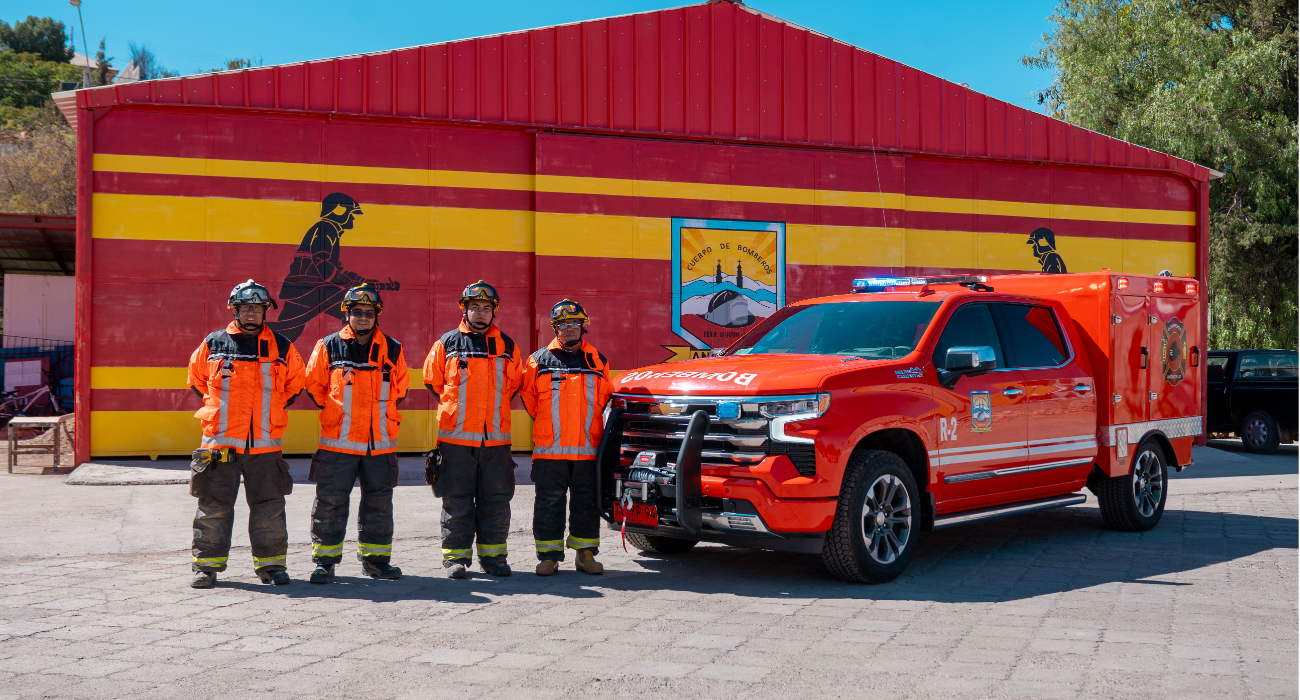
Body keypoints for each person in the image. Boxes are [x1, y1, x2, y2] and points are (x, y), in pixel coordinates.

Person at [187, 280, 306, 589]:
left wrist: (273, 409)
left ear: (265, 311)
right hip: (220, 444)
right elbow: (196, 379)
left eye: (257, 308)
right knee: (213, 506)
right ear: (235, 310)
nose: (252, 313)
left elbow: (295, 385)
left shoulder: (282, 346)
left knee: (269, 507)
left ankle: (271, 566)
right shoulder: (214, 343)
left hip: (265, 446)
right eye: (246, 308)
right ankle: (206, 567)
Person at [303, 282, 410, 584]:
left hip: (380, 444)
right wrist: (336, 414)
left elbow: (400, 389)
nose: (363, 318)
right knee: (330, 503)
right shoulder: (328, 346)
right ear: (346, 315)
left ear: (377, 316)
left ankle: (376, 562)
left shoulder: (393, 349)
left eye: (369, 313)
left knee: (379, 504)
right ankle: (325, 563)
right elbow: (314, 386)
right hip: (338, 444)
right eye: (357, 312)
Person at [423, 281, 523, 578]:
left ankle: (494, 559)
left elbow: (515, 385)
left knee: (496, 499)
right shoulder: (447, 343)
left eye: (486, 308)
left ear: (494, 312)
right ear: (464, 310)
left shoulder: (508, 346)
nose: (481, 313)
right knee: (457, 499)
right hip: (455, 440)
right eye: (475, 307)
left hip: (495, 440)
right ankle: (456, 559)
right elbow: (433, 382)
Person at [520, 299, 613, 576]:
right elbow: (529, 399)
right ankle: (548, 557)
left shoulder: (598, 360)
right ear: (555, 328)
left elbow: (606, 398)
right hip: (551, 451)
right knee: (549, 504)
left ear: (583, 327)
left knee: (586, 504)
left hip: (587, 451)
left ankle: (584, 555)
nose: (569, 329)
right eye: (563, 325)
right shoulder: (538, 361)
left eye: (574, 324)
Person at [268, 193, 399, 343]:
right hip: (307, 290)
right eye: (351, 214)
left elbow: (336, 268)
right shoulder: (326, 230)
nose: (353, 218)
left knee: (290, 330)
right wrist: (353, 284)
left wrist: (360, 281)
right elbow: (325, 268)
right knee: (351, 304)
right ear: (338, 211)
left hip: (308, 289)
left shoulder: (329, 231)